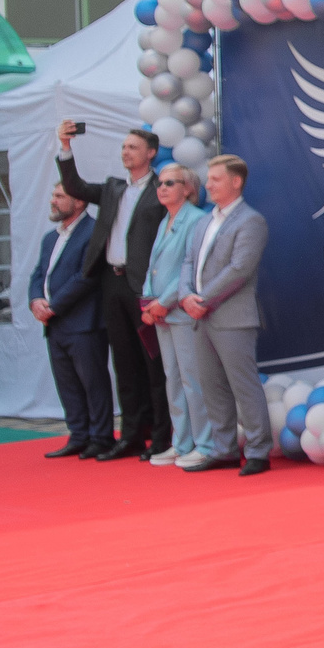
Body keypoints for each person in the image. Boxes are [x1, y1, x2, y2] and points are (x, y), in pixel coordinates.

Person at [55, 120, 167, 459]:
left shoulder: (161, 189)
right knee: (124, 363)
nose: (125, 152)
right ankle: (131, 435)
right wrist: (65, 147)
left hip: (143, 285)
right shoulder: (113, 188)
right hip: (112, 282)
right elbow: (73, 185)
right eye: (123, 147)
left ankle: (162, 437)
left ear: (150, 153)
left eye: (132, 147)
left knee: (153, 363)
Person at [181, 155, 270, 475]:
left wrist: (202, 298)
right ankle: (224, 449)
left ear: (236, 182)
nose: (208, 185)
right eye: (208, 179)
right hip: (200, 315)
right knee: (211, 385)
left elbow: (240, 269)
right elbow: (188, 263)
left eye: (215, 179)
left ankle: (259, 450)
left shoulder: (251, 221)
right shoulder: (204, 221)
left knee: (243, 385)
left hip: (233, 317)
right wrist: (185, 297)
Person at [135, 166, 211, 467]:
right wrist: (148, 303)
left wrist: (163, 302)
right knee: (173, 380)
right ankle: (181, 443)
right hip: (162, 313)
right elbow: (153, 265)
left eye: (170, 183)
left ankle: (204, 443)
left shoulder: (195, 220)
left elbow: (187, 269)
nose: (162, 188)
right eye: (159, 183)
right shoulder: (166, 220)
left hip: (180, 311)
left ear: (187, 188)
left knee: (193, 379)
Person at [33, 182, 112, 457]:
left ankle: (101, 437)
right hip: (55, 325)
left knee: (93, 383)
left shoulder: (93, 232)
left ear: (79, 202)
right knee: (67, 383)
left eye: (59, 196)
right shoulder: (49, 238)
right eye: (53, 195)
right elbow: (38, 275)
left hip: (84, 323)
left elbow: (86, 276)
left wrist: (53, 306)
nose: (53, 201)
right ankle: (78, 435)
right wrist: (35, 302)